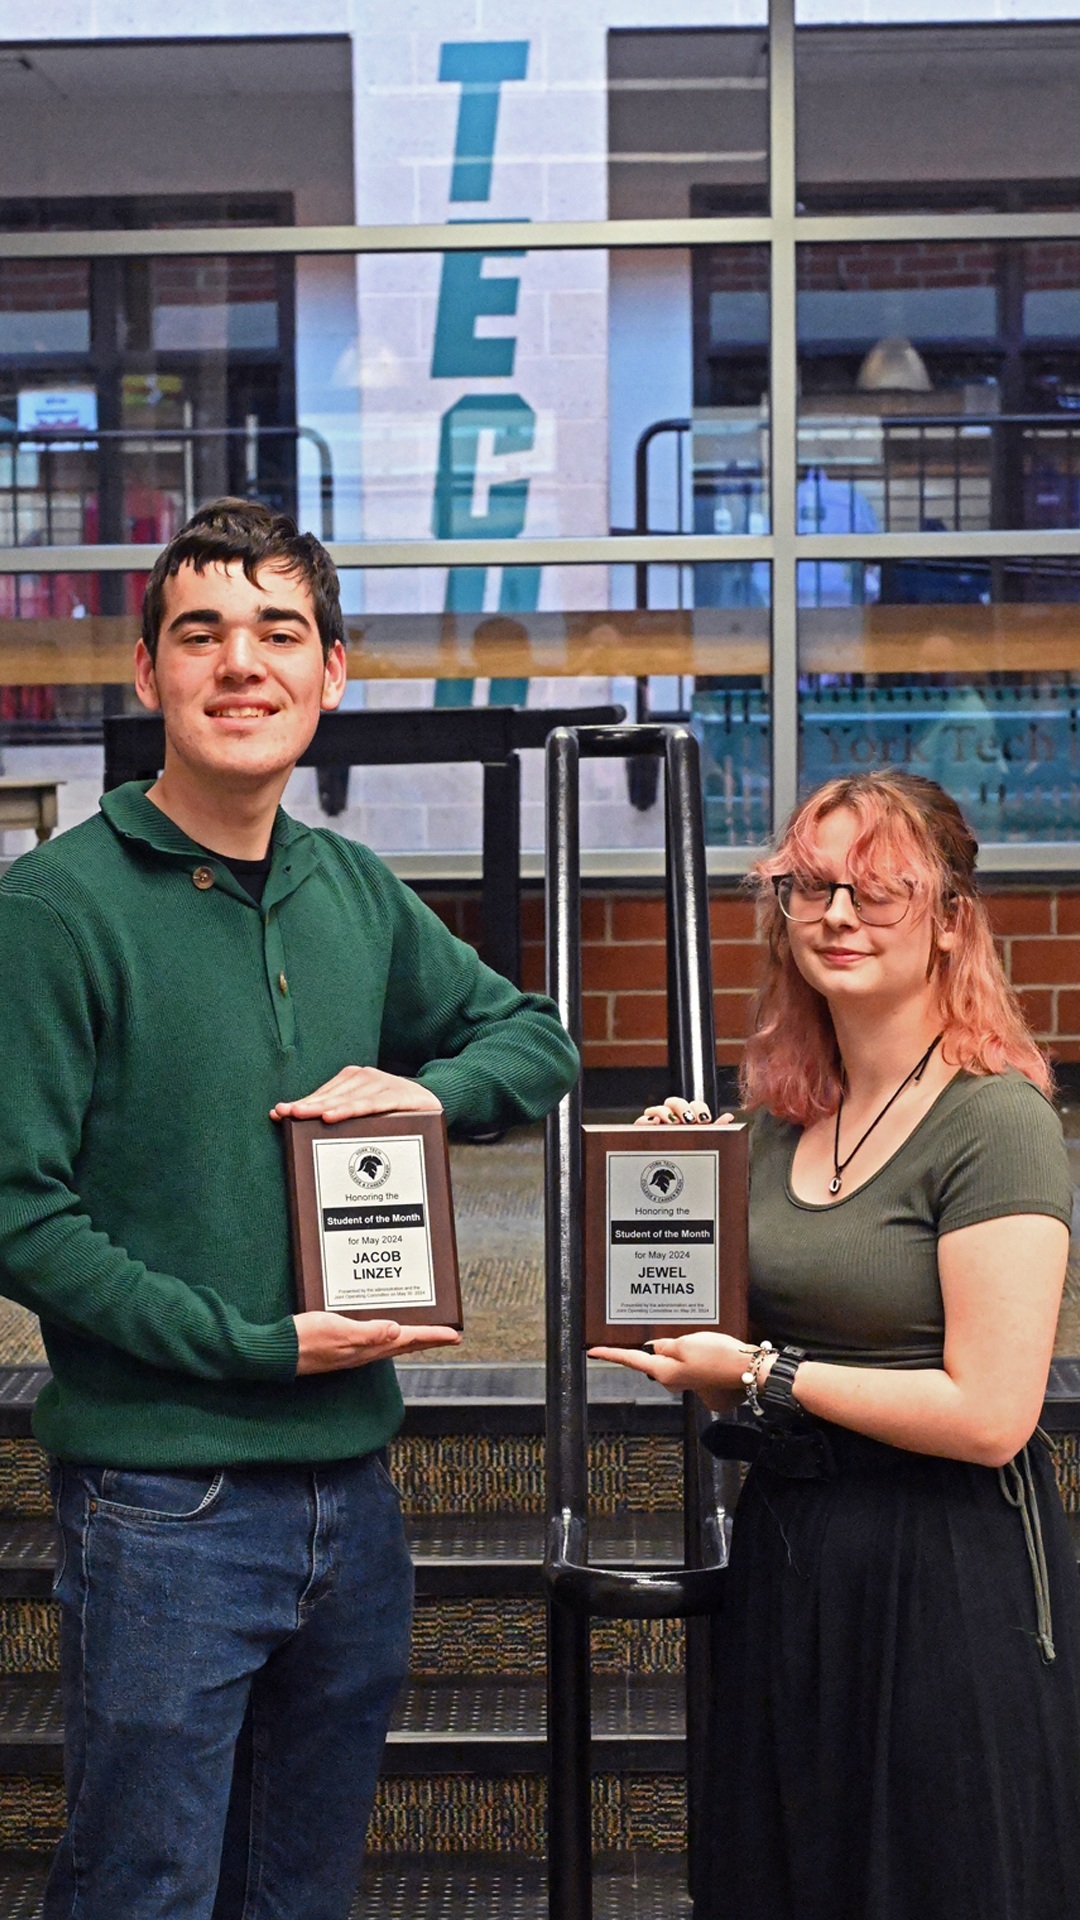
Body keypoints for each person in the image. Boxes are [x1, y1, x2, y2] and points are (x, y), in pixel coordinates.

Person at [0, 498, 578, 1920]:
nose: (241, 664)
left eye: (279, 633)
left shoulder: (354, 889)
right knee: (142, 1890)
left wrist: (426, 1094)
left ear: (334, 670)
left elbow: (540, 1042)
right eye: (201, 633)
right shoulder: (53, 912)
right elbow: (20, 1216)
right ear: (148, 676)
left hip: (354, 1498)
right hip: (163, 1502)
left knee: (301, 1888)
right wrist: (257, 1346)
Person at [592, 769, 1080, 1920]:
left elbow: (991, 1413)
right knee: (787, 1872)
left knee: (927, 1880)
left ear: (953, 919)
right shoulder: (775, 1118)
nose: (838, 917)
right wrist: (675, 1198)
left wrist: (762, 1374)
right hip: (794, 1550)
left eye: (878, 890)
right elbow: (717, 1345)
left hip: (947, 1574)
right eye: (810, 888)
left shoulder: (996, 1118)